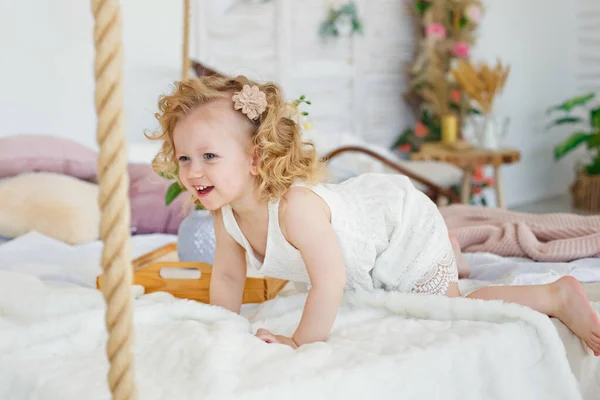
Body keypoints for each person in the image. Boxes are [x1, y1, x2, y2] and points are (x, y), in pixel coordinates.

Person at [147, 75, 600, 356]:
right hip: (368, 239)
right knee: (403, 285)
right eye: (184, 158)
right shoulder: (226, 217)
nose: (193, 170)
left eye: (208, 155)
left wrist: (302, 344)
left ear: (255, 158)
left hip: (399, 228)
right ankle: (454, 254)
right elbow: (227, 280)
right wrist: (223, 332)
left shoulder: (295, 209)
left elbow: (330, 283)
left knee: (445, 308)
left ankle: (556, 296)